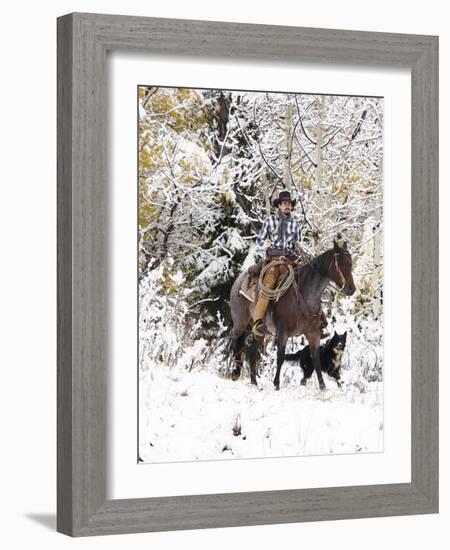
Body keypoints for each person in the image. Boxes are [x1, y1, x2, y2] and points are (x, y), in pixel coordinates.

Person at [251, 190, 304, 337]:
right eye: (284, 203)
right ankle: (258, 322)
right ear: (279, 206)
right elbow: (259, 240)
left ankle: (316, 319)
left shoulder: (296, 224)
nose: (287, 206)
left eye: (289, 204)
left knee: (308, 280)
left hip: (291, 261)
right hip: (274, 261)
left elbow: (298, 243)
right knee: (268, 284)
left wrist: (299, 248)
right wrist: (265, 244)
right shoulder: (270, 221)